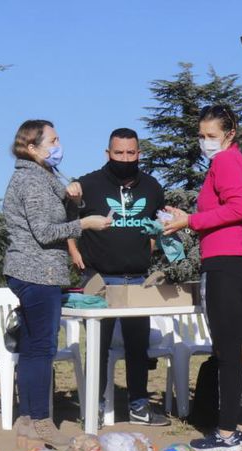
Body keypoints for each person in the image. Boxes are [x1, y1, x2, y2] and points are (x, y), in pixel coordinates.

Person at [2, 119, 110, 447]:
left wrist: (70, 198)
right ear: (32, 147)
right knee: (41, 349)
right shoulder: (32, 181)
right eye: (53, 140)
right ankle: (41, 421)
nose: (59, 145)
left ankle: (28, 419)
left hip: (39, 272)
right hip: (35, 273)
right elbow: (45, 232)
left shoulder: (44, 176)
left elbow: (52, 218)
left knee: (34, 347)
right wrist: (85, 223)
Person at [163, 104, 242, 451]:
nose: (205, 142)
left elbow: (239, 209)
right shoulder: (227, 162)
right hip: (233, 260)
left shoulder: (225, 161)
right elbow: (223, 209)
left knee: (229, 349)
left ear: (229, 134)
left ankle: (227, 432)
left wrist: (190, 222)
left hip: (226, 263)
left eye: (211, 136)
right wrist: (188, 217)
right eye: (201, 136)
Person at [66, 128, 170, 427]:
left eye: (131, 153)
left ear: (139, 153)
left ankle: (139, 406)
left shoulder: (151, 186)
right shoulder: (88, 184)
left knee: (138, 347)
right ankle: (94, 407)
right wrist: (73, 250)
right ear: (107, 153)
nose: (125, 158)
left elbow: (157, 225)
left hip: (138, 280)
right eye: (118, 153)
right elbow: (66, 221)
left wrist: (146, 250)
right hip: (99, 279)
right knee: (98, 346)